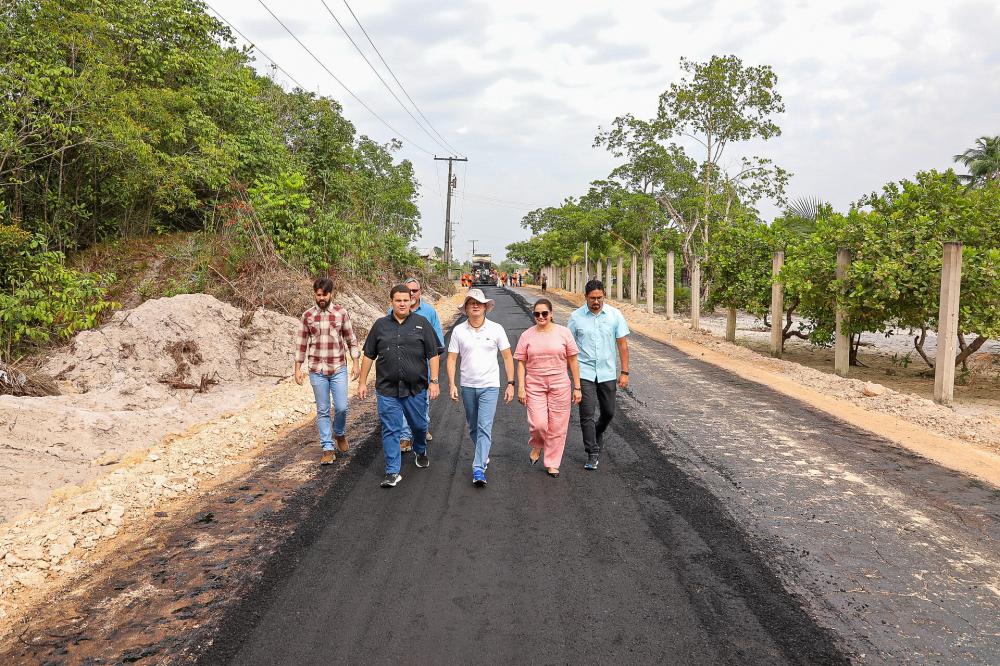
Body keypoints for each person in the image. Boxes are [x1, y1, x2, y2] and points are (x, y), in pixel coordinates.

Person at [359, 284, 443, 488]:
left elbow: (433, 354)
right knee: (390, 429)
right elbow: (369, 355)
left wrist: (434, 381)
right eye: (398, 300)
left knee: (419, 426)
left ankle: (420, 449)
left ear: (411, 301)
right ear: (391, 302)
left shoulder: (422, 323)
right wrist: (362, 382)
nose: (403, 304)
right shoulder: (380, 325)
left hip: (416, 389)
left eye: (406, 300)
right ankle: (392, 472)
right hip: (387, 390)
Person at [447, 289, 515, 487]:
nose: (475, 305)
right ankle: (483, 454)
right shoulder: (459, 331)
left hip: (490, 386)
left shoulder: (496, 329)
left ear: (485, 307)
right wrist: (451, 384)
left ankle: (478, 468)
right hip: (468, 385)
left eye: (479, 303)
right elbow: (451, 359)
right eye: (471, 302)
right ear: (466, 308)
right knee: (473, 427)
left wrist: (511, 384)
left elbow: (507, 357)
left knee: (484, 426)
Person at [294, 277, 361, 465]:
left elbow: (351, 339)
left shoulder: (341, 313)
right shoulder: (308, 316)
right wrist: (297, 368)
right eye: (318, 295)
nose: (321, 298)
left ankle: (339, 433)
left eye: (324, 295)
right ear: (314, 295)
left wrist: (356, 362)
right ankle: (327, 448)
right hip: (317, 369)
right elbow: (301, 343)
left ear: (331, 294)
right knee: (322, 410)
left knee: (341, 407)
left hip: (338, 367)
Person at [514, 298, 582, 477]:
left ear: (551, 314)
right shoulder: (527, 335)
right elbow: (521, 363)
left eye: (544, 313)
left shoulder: (564, 333)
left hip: (560, 384)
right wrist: (521, 387)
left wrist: (577, 387)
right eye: (537, 314)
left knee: (557, 427)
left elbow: (573, 360)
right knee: (539, 424)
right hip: (534, 385)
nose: (541, 316)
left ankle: (552, 463)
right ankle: (537, 444)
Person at [568, 279, 630, 470]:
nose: (596, 301)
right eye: (592, 298)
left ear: (604, 296)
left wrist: (624, 372)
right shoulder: (576, 317)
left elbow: (622, 345)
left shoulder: (615, 315)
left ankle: (597, 431)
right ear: (585, 297)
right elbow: (569, 347)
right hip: (584, 372)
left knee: (609, 412)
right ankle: (592, 452)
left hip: (607, 372)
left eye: (599, 298)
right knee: (586, 414)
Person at [387, 278, 445, 452]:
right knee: (402, 401)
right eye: (408, 291)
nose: (412, 294)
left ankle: (421, 428)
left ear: (420, 292)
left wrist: (433, 373)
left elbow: (437, 343)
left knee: (422, 402)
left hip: (422, 367)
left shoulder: (429, 312)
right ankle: (405, 436)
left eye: (415, 290)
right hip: (399, 367)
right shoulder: (391, 312)